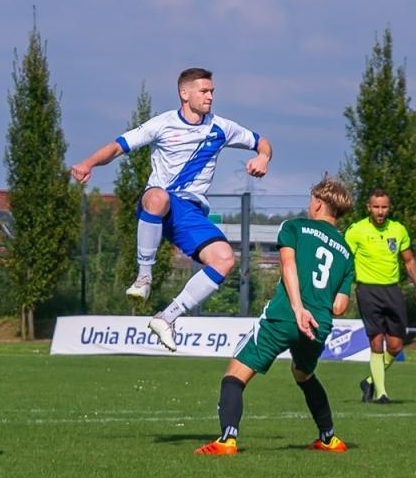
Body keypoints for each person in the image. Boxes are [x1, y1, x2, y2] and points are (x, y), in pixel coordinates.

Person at [70, 67, 271, 351]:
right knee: (158, 196)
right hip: (159, 204)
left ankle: (167, 317)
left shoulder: (222, 127)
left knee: (224, 259)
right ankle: (144, 277)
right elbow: (118, 147)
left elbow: (261, 142)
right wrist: (88, 163)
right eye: (204, 91)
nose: (210, 96)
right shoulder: (162, 124)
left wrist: (263, 157)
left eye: (212, 91)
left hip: (190, 213)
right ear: (184, 93)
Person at [194, 178, 356, 455]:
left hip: (286, 315)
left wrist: (298, 308)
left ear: (318, 203)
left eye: (311, 200)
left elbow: (288, 265)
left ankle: (227, 440)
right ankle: (329, 438)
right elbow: (340, 306)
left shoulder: (294, 227)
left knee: (235, 374)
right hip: (319, 324)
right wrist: (316, 304)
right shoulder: (346, 252)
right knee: (303, 374)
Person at [343, 191, 416, 404]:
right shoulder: (356, 231)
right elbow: (344, 261)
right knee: (376, 341)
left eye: (384, 207)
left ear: (389, 208)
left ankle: (369, 381)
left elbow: (409, 261)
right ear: (368, 208)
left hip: (392, 291)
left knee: (396, 346)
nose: (380, 211)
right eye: (376, 207)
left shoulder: (398, 230)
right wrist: (340, 289)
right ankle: (381, 393)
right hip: (367, 290)